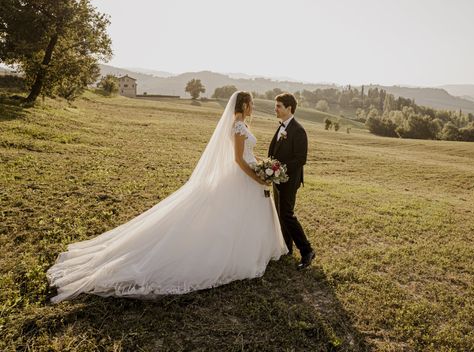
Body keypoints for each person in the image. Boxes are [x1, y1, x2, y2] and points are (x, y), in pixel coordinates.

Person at [46, 91, 288, 303]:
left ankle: (249, 252)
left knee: (238, 219)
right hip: (240, 178)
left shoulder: (242, 125)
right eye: (251, 103)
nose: (253, 107)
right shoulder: (237, 125)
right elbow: (237, 159)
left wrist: (264, 166)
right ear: (244, 105)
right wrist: (257, 177)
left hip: (248, 176)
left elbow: (248, 154)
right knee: (229, 219)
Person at [268, 93, 315, 270]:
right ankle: (287, 248)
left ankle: (307, 251)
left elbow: (300, 159)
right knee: (281, 214)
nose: (276, 109)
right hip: (277, 179)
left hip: (289, 179)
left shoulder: (298, 130)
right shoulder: (281, 127)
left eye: (279, 106)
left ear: (289, 108)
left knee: (287, 214)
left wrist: (280, 169)